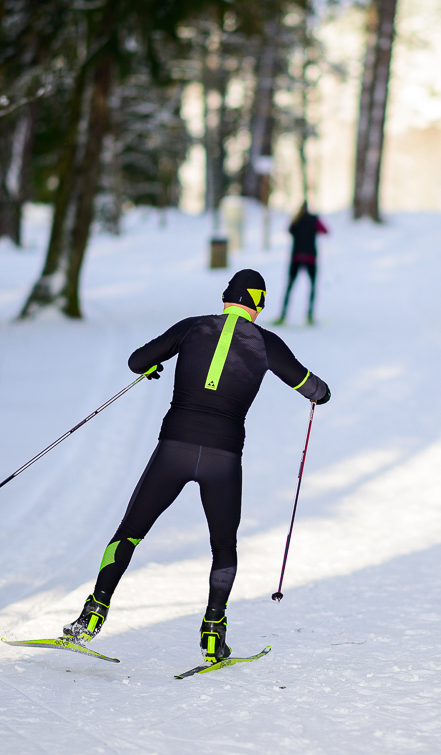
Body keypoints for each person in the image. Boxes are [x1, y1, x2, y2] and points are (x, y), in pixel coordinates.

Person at [64, 268, 331, 664]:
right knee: (223, 546)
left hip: (174, 449)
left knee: (130, 533)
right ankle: (212, 635)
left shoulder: (191, 327)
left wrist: (154, 367)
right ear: (257, 303)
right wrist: (316, 394)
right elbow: (317, 391)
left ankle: (90, 619)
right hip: (223, 457)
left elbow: (137, 361)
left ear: (226, 297)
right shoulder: (266, 343)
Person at [274, 203, 328, 325]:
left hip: (296, 257)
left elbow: (289, 230)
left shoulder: (296, 220)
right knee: (312, 287)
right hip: (310, 258)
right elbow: (325, 231)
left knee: (289, 287)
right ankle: (309, 315)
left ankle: (283, 315)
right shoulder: (314, 219)